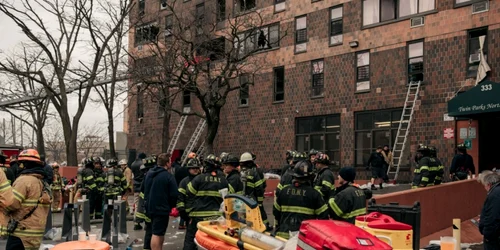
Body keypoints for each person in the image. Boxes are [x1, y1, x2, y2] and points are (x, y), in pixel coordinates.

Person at [4, 149, 52, 250]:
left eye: (20, 163)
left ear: (24, 164)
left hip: (21, 233)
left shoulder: (24, 180)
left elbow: (12, 203)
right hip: (36, 234)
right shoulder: (43, 183)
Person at [183, 154, 231, 250]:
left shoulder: (199, 178)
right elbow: (228, 198)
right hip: (216, 218)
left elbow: (189, 192)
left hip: (198, 218)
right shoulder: (223, 181)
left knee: (190, 241)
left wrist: (188, 212)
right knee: (213, 243)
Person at [273, 160, 329, 239]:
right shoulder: (314, 194)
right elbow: (324, 217)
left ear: (294, 176)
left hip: (283, 237)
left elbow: (275, 212)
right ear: (310, 177)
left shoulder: (284, 191)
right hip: (304, 238)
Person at [143, 153, 178, 250]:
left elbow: (144, 189)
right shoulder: (168, 176)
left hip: (150, 207)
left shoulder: (149, 174)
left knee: (156, 231)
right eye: (170, 161)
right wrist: (171, 205)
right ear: (167, 163)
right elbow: (174, 194)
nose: (171, 163)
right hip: (161, 208)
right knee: (157, 233)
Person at [177, 158, 201, 230]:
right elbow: (180, 198)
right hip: (190, 215)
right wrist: (183, 213)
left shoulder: (202, 180)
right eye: (193, 168)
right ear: (188, 169)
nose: (195, 169)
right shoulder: (184, 182)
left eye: (197, 168)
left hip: (202, 213)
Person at [478, 172, 500, 249]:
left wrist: (487, 234)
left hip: (494, 239)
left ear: (489, 184)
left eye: (484, 185)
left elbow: (493, 217)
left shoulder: (495, 195)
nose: (484, 188)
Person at [134, 156, 155, 231]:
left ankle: (138, 223)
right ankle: (147, 224)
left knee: (140, 209)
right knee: (146, 210)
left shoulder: (146, 173)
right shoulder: (151, 174)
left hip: (143, 194)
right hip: (148, 195)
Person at [131, 152, 147, 220]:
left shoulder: (133, 164)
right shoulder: (143, 164)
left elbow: (133, 176)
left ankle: (136, 218)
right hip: (143, 186)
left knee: (137, 203)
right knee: (144, 203)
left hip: (136, 186)